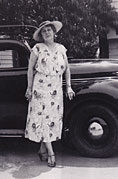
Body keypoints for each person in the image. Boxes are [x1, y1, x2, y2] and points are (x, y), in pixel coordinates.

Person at [25, 20, 75, 167]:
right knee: (43, 118)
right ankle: (51, 153)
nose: (47, 32)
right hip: (40, 87)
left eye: (49, 30)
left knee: (52, 118)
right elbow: (30, 69)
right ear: (41, 35)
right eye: (44, 31)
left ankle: (42, 149)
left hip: (56, 88)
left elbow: (67, 69)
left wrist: (69, 87)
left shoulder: (61, 49)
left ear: (54, 32)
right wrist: (29, 88)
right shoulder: (37, 48)